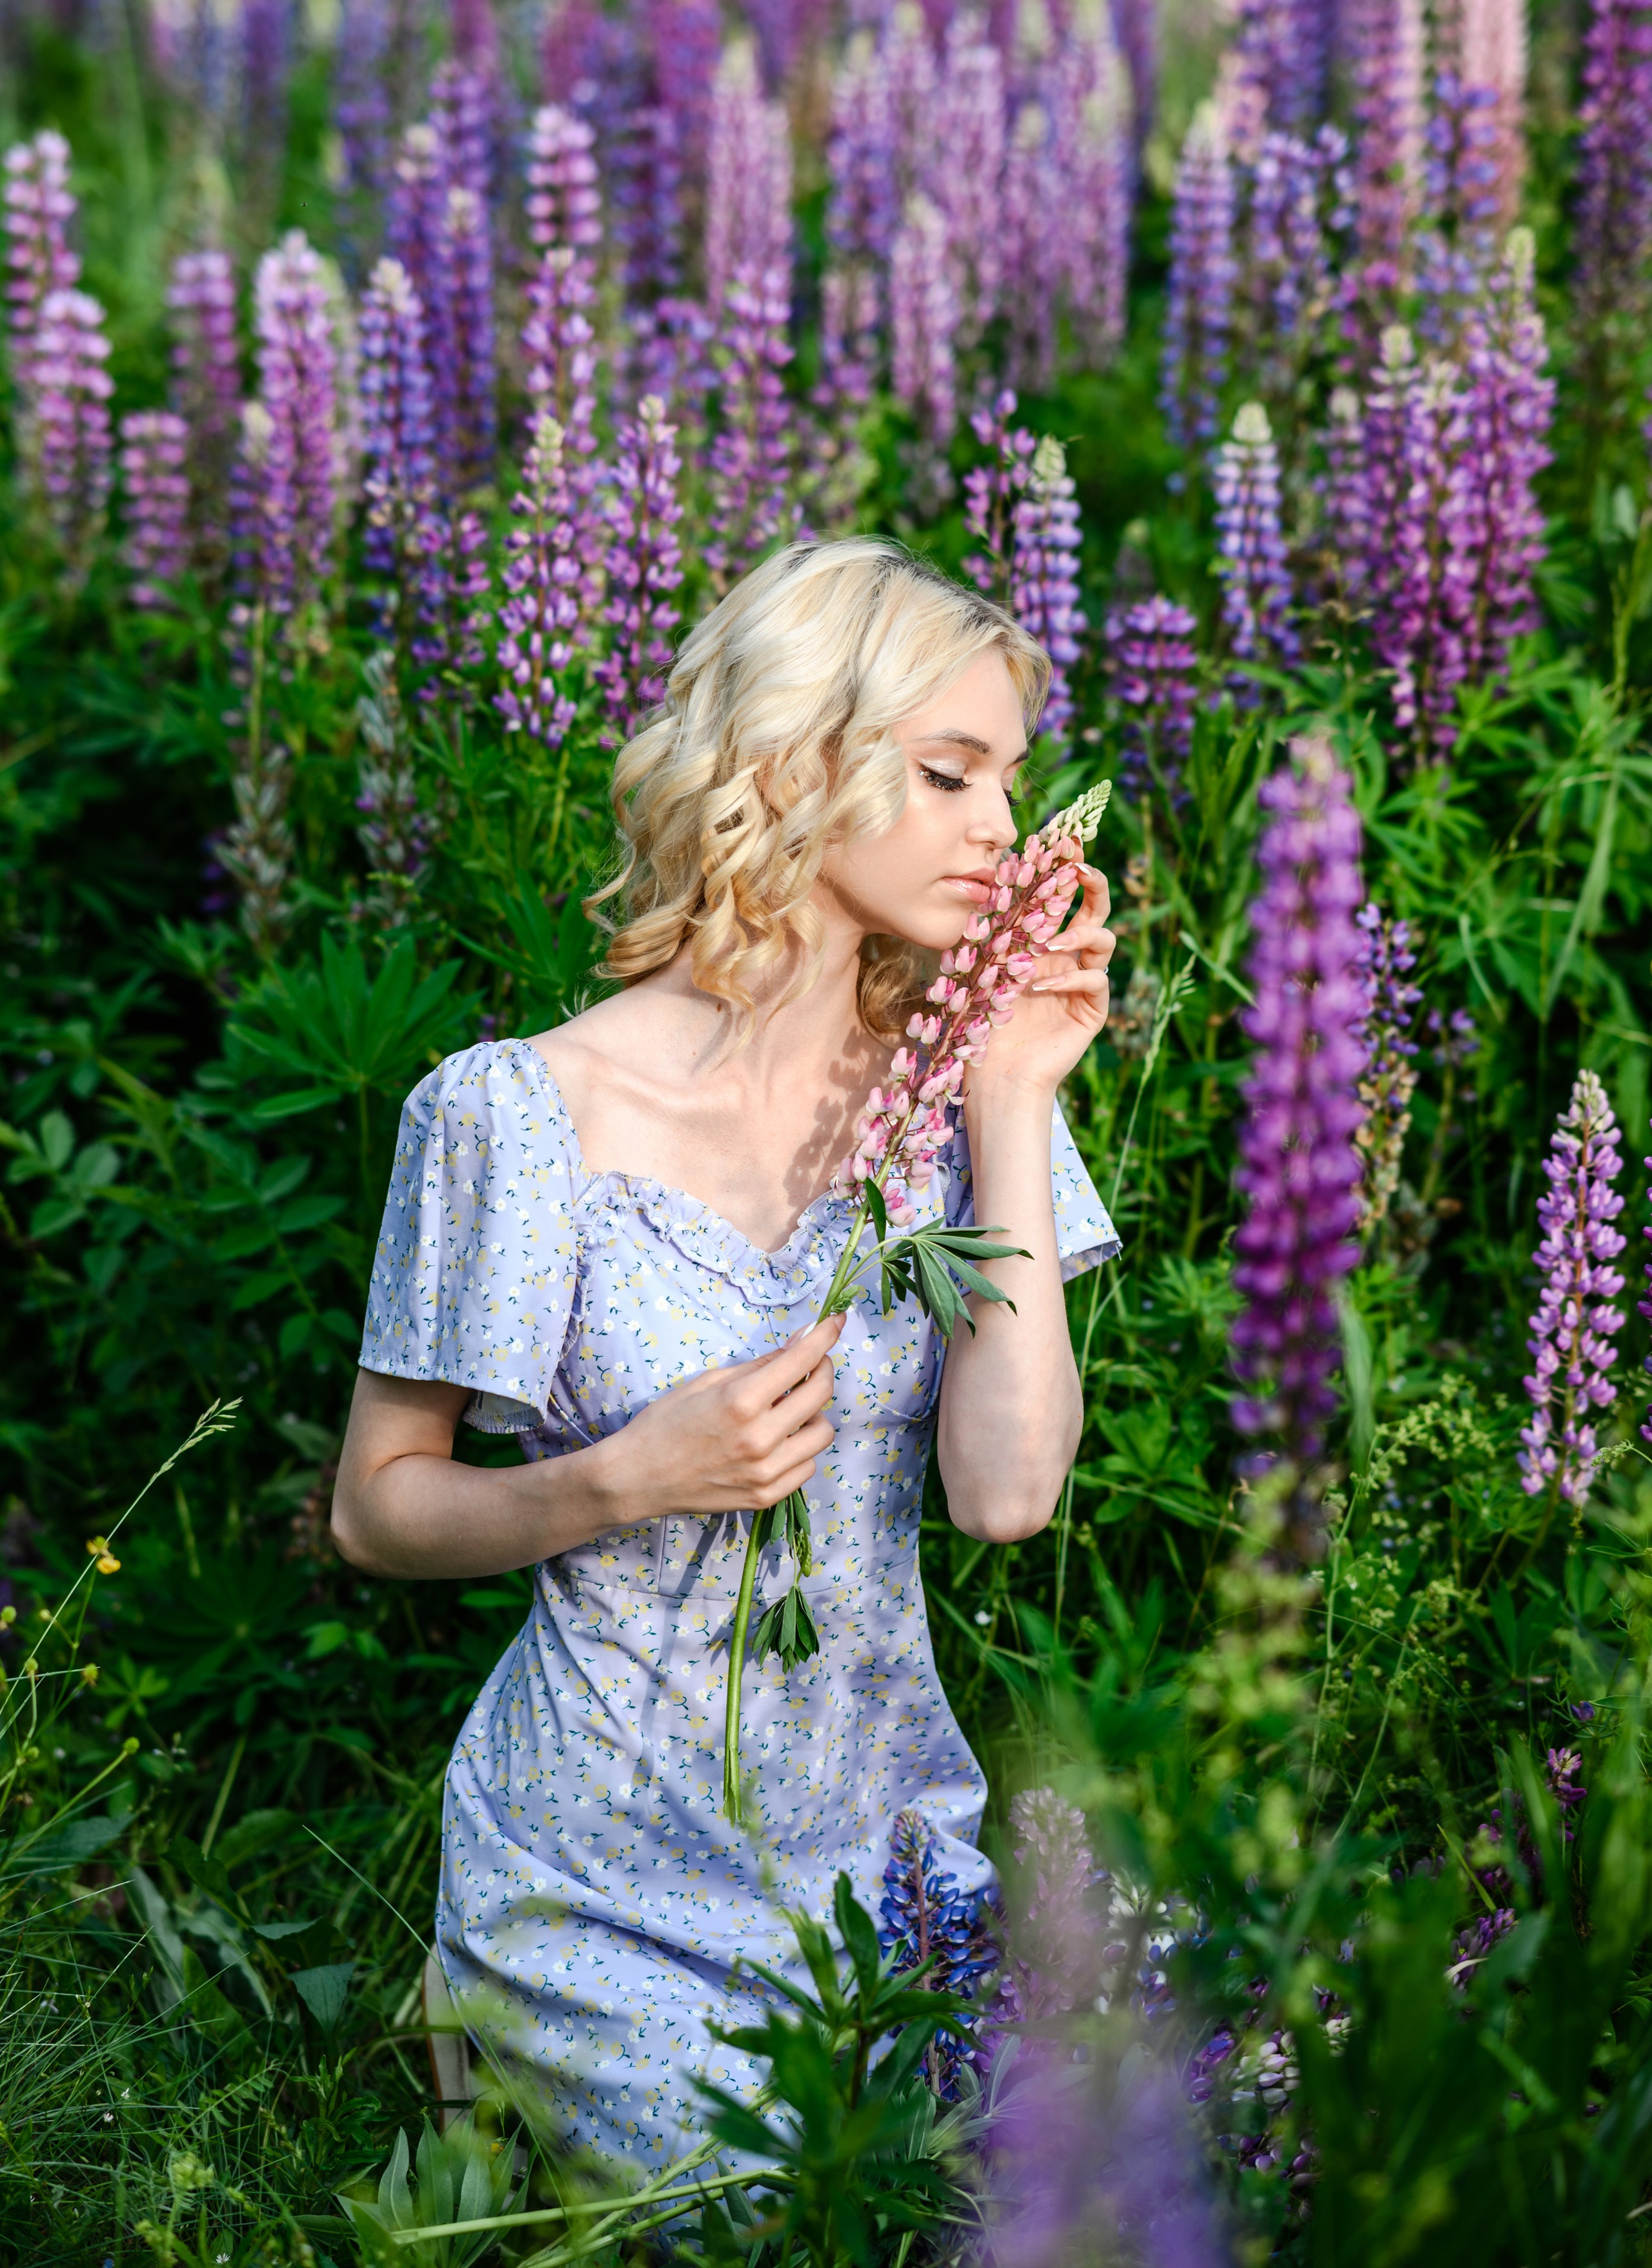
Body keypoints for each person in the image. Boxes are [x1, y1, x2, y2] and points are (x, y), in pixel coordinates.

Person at [330, 537, 1120, 2163]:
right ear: (789, 762)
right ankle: (489, 2034)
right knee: (811, 2216)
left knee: (1160, 2147)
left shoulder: (960, 1099)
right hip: (595, 1877)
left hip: (893, 1851)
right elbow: (376, 1507)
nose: (1003, 828)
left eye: (1012, 782)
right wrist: (622, 1477)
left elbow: (1006, 1493)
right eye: (948, 772)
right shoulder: (518, 1112)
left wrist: (1010, 1095)